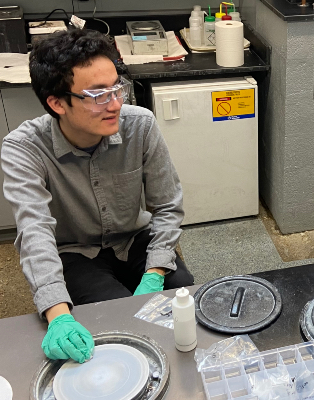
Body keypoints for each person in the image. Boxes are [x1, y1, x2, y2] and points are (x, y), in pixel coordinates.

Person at [1, 29, 194, 364]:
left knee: (182, 291)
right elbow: (34, 233)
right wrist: (57, 314)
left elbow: (166, 205)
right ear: (57, 102)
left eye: (117, 88)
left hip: (134, 237)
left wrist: (155, 272)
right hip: (75, 250)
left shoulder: (140, 126)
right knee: (114, 320)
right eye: (98, 95)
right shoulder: (23, 149)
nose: (116, 104)